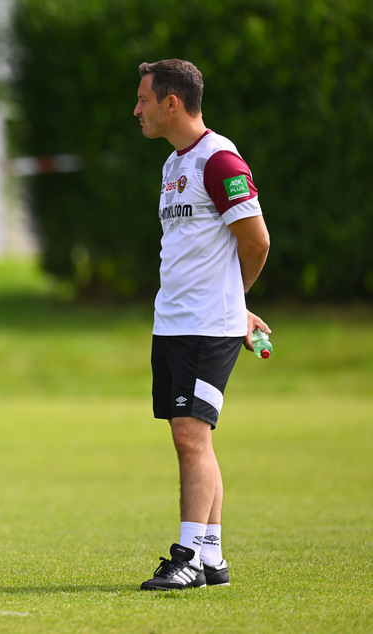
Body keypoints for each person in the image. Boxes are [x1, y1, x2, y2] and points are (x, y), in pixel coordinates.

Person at [133, 59, 271, 590]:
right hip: (172, 324)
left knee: (193, 436)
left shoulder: (219, 160)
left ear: (172, 102)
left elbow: (256, 241)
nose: (137, 109)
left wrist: (232, 303)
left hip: (206, 327)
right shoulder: (173, 165)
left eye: (144, 99)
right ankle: (211, 558)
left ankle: (188, 556)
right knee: (191, 439)